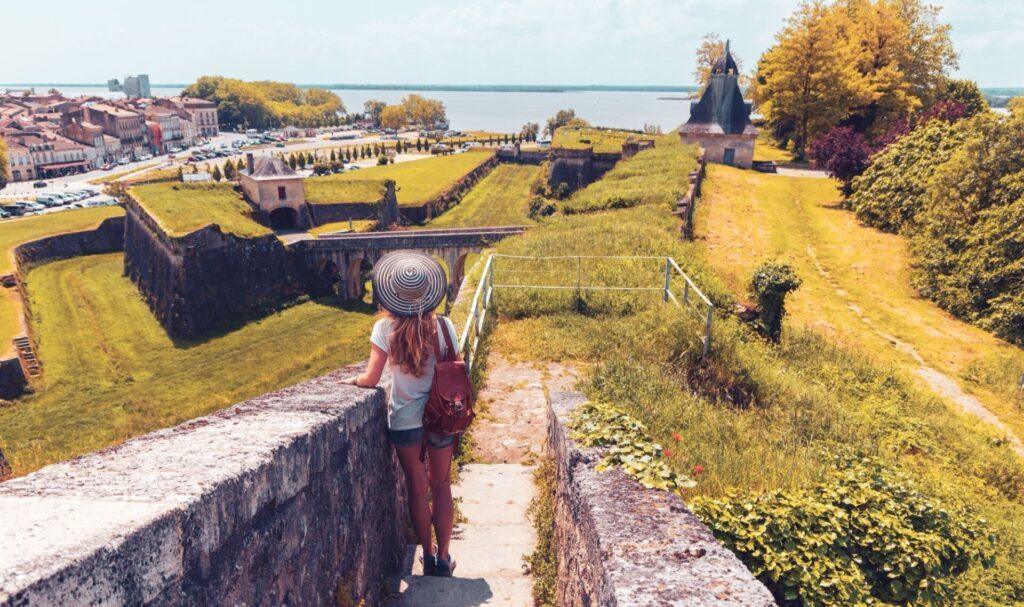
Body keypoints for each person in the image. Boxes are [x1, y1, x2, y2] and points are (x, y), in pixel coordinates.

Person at [341, 250, 459, 577]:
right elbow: (456, 370)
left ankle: (429, 554)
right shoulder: (445, 326)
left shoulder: (384, 329)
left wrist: (352, 380)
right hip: (442, 415)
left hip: (405, 419)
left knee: (417, 487)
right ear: (430, 293)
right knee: (442, 484)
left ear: (392, 293)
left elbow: (371, 379)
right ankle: (445, 556)